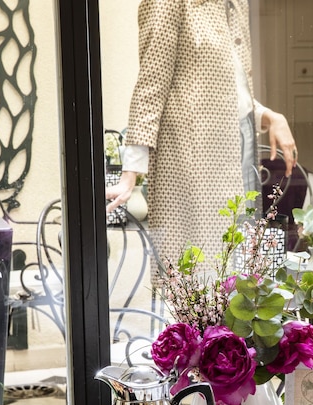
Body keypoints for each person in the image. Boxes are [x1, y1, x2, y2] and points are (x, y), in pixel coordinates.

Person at [105, 0, 298, 266]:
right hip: (194, 153)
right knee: (203, 265)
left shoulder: (235, 3)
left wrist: (268, 116)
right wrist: (130, 174)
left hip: (239, 140)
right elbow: (151, 86)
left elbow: (228, 89)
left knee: (240, 258)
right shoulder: (168, 3)